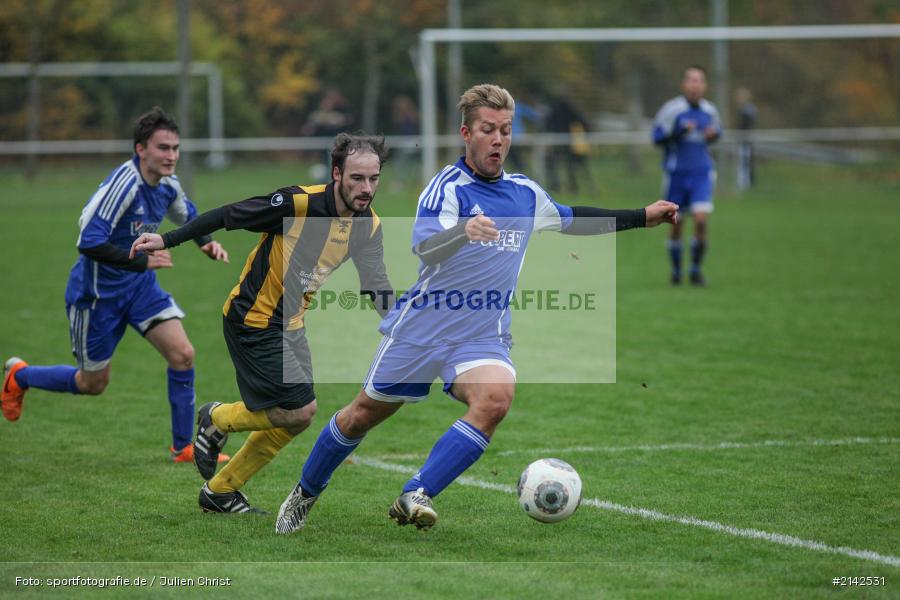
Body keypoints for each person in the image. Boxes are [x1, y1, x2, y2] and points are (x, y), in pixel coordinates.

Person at [274, 83, 678, 534]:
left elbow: (572, 218)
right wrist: (464, 230)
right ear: (467, 133)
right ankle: (304, 493)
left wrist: (642, 216)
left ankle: (416, 492)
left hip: (482, 334)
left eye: (506, 130)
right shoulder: (447, 188)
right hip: (423, 329)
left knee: (495, 400)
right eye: (488, 130)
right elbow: (426, 248)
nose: (498, 139)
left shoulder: (525, 194)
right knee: (361, 415)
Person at [130, 133, 394, 514]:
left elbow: (376, 285)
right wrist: (167, 240)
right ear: (337, 173)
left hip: (292, 325)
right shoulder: (297, 203)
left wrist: (407, 325)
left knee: (298, 417)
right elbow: (227, 215)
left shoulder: (368, 226)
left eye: (373, 178)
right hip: (252, 319)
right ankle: (216, 418)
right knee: (299, 410)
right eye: (357, 178)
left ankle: (220, 491)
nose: (366, 188)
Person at [1, 107, 230, 464]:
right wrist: (140, 260)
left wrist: (206, 243)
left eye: (175, 148)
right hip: (97, 296)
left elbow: (188, 215)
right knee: (93, 383)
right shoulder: (124, 185)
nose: (171, 155)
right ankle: (20, 376)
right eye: (163, 148)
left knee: (183, 354)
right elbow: (88, 242)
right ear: (141, 149)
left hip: (140, 289)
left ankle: (183, 448)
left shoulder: (167, 185)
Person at [652, 65, 722, 286]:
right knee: (676, 225)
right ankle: (676, 271)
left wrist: (713, 135)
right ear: (684, 85)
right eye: (691, 80)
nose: (695, 85)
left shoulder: (710, 111)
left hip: (702, 173)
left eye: (699, 80)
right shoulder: (672, 110)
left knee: (701, 221)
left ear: (705, 85)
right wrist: (680, 132)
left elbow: (717, 133)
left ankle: (695, 271)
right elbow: (657, 138)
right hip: (676, 175)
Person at [734, 87, 757, 191]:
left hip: (746, 139)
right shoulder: (746, 110)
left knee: (745, 162)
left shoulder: (748, 110)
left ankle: (746, 184)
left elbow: (745, 126)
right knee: (743, 161)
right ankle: (744, 183)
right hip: (744, 139)